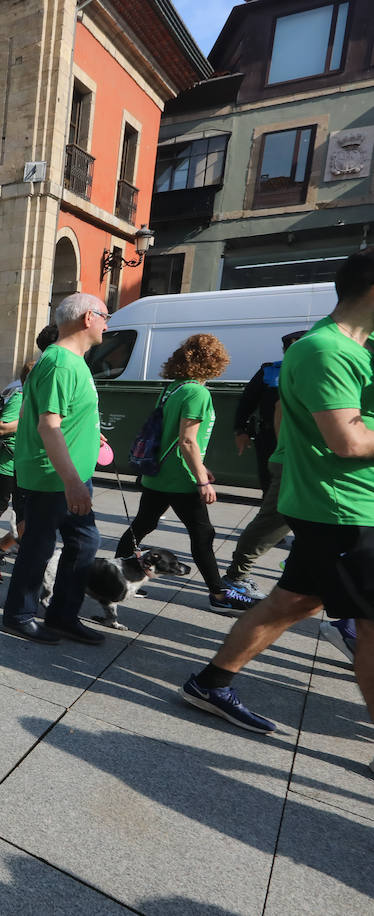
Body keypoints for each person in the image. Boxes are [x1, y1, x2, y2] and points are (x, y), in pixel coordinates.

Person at [179, 249, 374, 753]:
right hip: (343, 507)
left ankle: (212, 682)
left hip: (334, 504)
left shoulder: (356, 347)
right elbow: (347, 440)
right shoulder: (325, 351)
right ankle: (215, 660)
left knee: (296, 601)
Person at [112, 334, 256, 612]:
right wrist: (201, 479)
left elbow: (171, 438)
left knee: (142, 525)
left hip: (159, 474)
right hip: (179, 479)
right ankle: (219, 595)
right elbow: (187, 440)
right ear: (214, 362)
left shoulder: (174, 388)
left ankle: (118, 576)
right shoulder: (197, 392)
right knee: (203, 534)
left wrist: (201, 467)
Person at [0, 292, 109, 646]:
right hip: (55, 477)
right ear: (87, 318)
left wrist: (92, 431)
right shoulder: (61, 362)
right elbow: (48, 425)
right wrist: (72, 482)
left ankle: (62, 615)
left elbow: (64, 414)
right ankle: (19, 615)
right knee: (39, 547)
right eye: (106, 316)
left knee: (84, 541)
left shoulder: (71, 361)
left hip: (68, 476)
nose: (108, 324)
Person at [219, 330, 308, 599]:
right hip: (274, 442)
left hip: (295, 451)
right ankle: (235, 577)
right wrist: (241, 431)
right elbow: (248, 402)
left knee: (296, 515)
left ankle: (299, 565)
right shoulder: (271, 371)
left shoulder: (312, 369)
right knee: (274, 506)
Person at [0, 359, 34, 582]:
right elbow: (3, 427)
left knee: (23, 511)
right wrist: (28, 419)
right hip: (7, 461)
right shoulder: (20, 397)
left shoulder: (32, 399)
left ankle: (5, 547)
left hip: (22, 464)